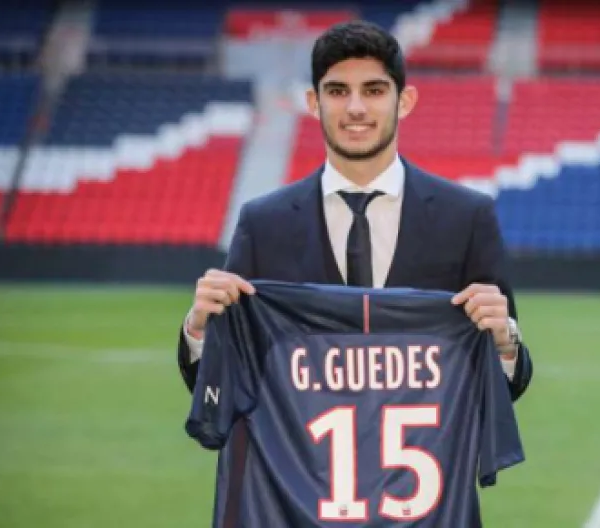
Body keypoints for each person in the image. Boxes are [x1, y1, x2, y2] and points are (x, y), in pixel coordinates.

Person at [174, 20, 532, 401]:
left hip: (428, 440)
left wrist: (506, 345)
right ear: (314, 102)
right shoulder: (263, 225)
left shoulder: (466, 218)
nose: (355, 108)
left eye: (374, 90)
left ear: (404, 101)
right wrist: (199, 333)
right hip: (306, 441)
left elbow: (505, 387)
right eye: (337, 91)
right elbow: (224, 389)